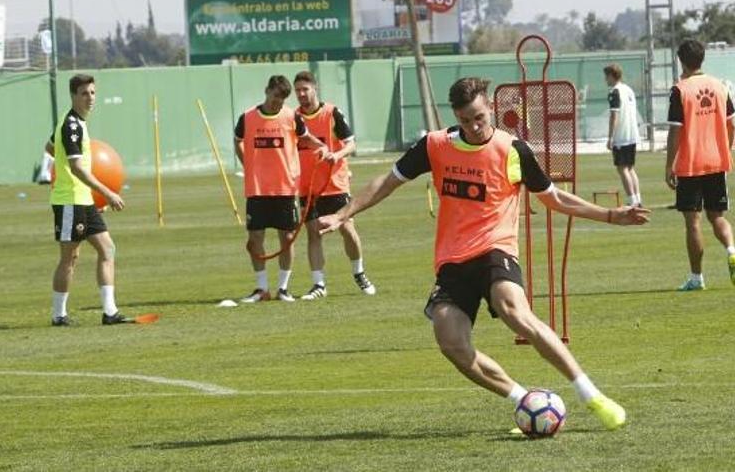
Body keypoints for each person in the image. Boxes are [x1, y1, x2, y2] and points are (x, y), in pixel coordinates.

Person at [318, 77, 649, 431]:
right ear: (456, 118)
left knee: (513, 310)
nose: (474, 127)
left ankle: (589, 393)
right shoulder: (434, 145)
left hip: (496, 249)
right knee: (450, 340)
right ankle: (524, 399)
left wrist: (611, 215)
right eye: (465, 120)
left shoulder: (513, 149)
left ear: (489, 107)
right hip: (452, 260)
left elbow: (554, 198)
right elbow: (388, 181)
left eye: (479, 117)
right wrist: (342, 214)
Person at [44, 74, 130, 326]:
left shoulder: (78, 123)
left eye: (92, 93)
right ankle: (59, 315)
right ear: (73, 96)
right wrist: (108, 193)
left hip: (84, 200)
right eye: (84, 93)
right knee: (70, 258)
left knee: (108, 249)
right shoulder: (71, 125)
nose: (90, 98)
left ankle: (110, 312)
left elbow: (50, 146)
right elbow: (77, 168)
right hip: (70, 200)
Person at [234, 74, 327, 303]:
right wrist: (247, 163)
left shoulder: (292, 117)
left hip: (285, 188)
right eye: (275, 97)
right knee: (255, 238)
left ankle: (283, 288)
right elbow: (237, 140)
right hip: (257, 189)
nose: (278, 102)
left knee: (287, 238)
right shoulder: (247, 117)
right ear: (267, 91)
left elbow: (307, 138)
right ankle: (261, 289)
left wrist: (322, 147)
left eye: (282, 99)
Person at [292, 71, 376, 300]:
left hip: (334, 184)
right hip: (307, 187)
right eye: (297, 90)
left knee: (347, 228)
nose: (301, 94)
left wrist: (336, 155)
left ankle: (359, 272)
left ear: (314, 88)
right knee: (313, 233)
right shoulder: (293, 117)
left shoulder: (331, 113)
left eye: (304, 89)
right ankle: (319, 284)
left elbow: (351, 144)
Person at [665, 39, 735, 291]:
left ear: (681, 60)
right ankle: (732, 250)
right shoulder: (720, 86)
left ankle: (697, 278)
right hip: (717, 161)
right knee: (717, 216)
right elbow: (731, 124)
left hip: (690, 163)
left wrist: (669, 166)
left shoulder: (679, 90)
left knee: (692, 222)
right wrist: (725, 149)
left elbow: (675, 133)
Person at [604, 64, 642, 207]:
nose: (605, 79)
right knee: (630, 168)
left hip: (622, 136)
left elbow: (614, 115)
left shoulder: (615, 91)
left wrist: (610, 137)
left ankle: (632, 201)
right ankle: (638, 199)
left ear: (612, 76)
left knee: (622, 169)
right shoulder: (628, 90)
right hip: (632, 134)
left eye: (606, 76)